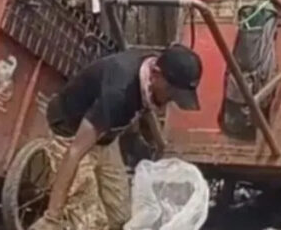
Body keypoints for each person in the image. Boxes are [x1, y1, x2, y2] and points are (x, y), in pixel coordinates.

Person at [31, 45, 203, 230]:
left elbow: (139, 108)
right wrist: (52, 216)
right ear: (155, 73)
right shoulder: (118, 93)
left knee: (121, 217)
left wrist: (150, 143)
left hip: (105, 138)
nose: (172, 100)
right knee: (92, 223)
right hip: (71, 133)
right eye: (171, 93)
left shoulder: (150, 69)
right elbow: (75, 151)